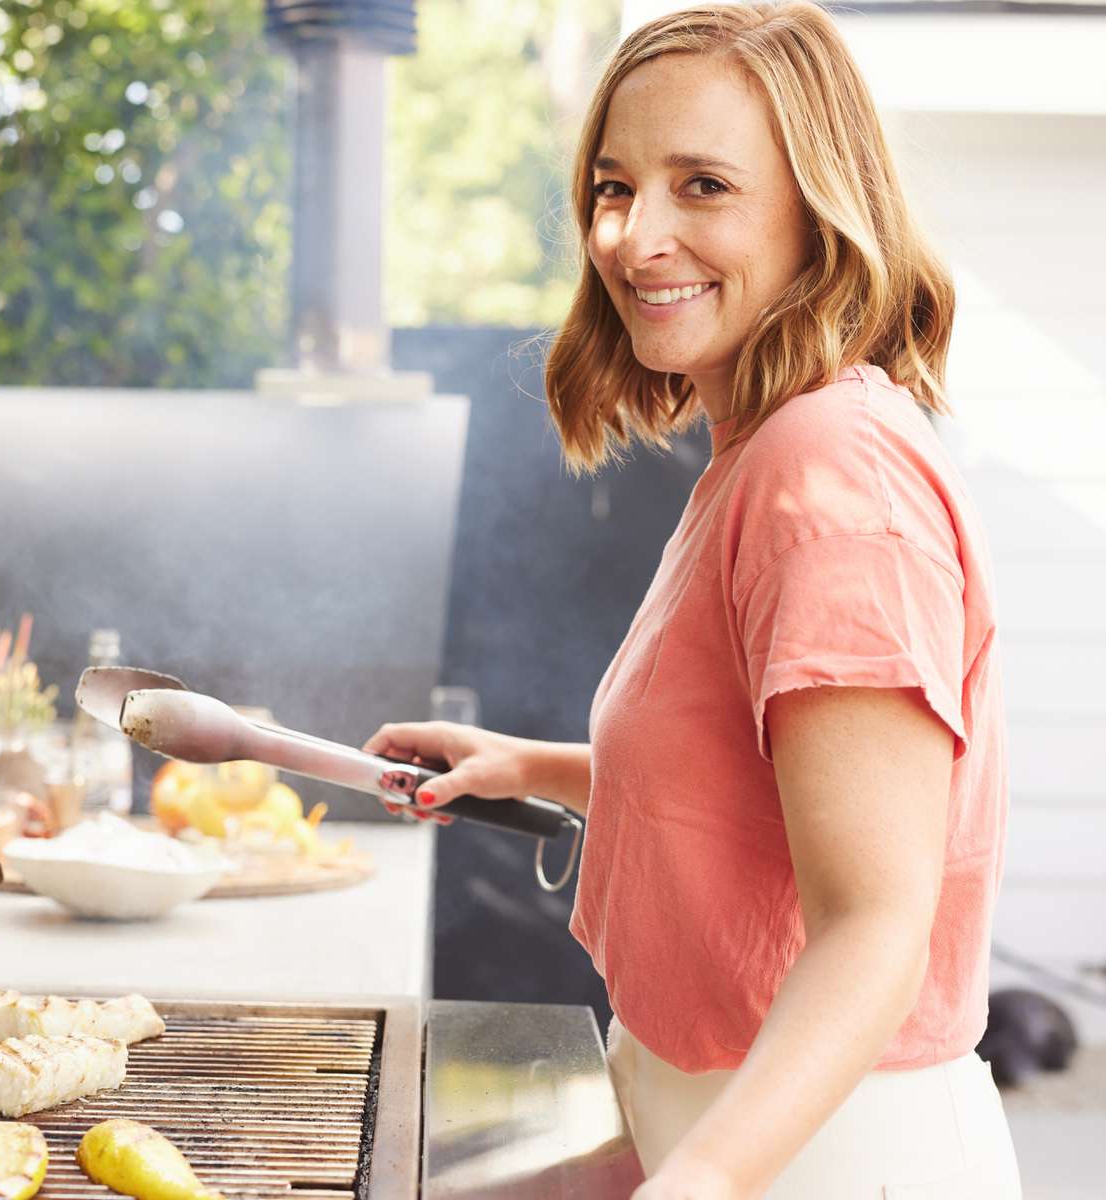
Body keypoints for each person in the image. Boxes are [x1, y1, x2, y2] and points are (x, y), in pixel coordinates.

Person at [364, 4, 1021, 1197]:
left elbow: (877, 927)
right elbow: (761, 788)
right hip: (727, 1118)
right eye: (615, 187)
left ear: (820, 210)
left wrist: (700, 1183)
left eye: (703, 185)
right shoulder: (766, 448)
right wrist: (538, 766)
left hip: (825, 1151)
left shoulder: (828, 480)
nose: (632, 236)